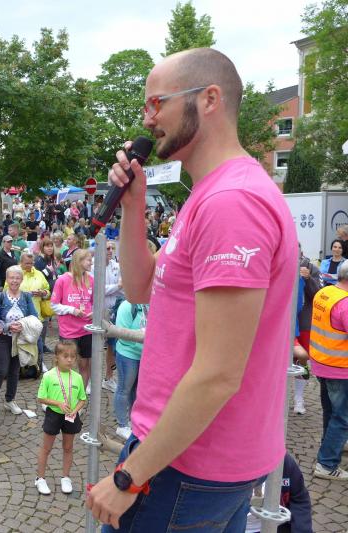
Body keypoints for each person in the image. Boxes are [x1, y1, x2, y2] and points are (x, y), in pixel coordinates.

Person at [86, 48, 298, 531]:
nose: (147, 119)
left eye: (157, 103)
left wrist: (129, 478)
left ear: (209, 99)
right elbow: (140, 288)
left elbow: (218, 373)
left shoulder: (231, 203)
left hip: (185, 463)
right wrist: (133, 206)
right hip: (188, 455)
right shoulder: (210, 194)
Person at [308, 261, 348, 480]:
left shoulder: (325, 293)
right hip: (340, 368)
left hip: (322, 363)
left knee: (331, 413)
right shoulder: (345, 303)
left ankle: (332, 446)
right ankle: (327, 463)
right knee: (342, 418)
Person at [35, 340, 87, 496]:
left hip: (71, 415)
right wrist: (58, 403)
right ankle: (40, 478)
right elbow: (41, 398)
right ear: (57, 357)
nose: (70, 360)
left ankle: (66, 477)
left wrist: (75, 410)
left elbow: (82, 399)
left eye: (72, 356)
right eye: (65, 356)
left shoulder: (77, 377)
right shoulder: (49, 376)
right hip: (53, 414)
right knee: (46, 448)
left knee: (68, 447)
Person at [0, 265, 38, 417]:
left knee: (14, 371)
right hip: (3, 338)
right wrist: (8, 326)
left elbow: (34, 316)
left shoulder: (26, 296)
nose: (14, 281)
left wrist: (22, 325)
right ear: (7, 279)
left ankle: (10, 400)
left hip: (20, 339)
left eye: (17, 278)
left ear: (21, 279)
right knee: (1, 370)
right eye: (11, 278)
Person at [50, 249, 94, 388]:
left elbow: (95, 303)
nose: (91, 263)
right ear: (79, 261)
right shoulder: (62, 280)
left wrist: (94, 312)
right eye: (88, 260)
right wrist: (72, 310)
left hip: (87, 329)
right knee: (66, 365)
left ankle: (81, 393)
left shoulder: (91, 279)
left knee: (85, 364)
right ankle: (63, 393)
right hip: (69, 332)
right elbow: (54, 305)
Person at [113, 300, 148, 441]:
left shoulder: (151, 304)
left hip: (144, 355)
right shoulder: (127, 306)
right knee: (124, 390)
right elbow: (122, 334)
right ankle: (122, 425)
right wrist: (143, 335)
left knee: (137, 391)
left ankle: (134, 421)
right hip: (128, 355)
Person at [101, 241, 125, 393]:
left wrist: (116, 288)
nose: (110, 250)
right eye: (107, 248)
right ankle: (89, 380)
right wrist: (117, 287)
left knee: (111, 345)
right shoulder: (93, 266)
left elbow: (123, 290)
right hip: (97, 310)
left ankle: (108, 378)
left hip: (114, 310)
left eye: (112, 248)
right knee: (94, 346)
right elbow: (98, 289)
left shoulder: (117, 266)